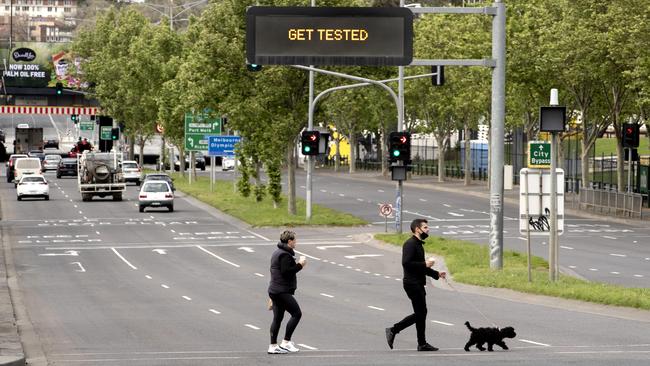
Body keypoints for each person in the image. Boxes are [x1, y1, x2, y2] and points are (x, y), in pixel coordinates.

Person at [385, 218, 447, 351]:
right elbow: (406, 263)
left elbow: (421, 268)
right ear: (417, 229)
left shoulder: (418, 244)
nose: (428, 229)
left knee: (421, 313)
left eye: (427, 227)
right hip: (411, 284)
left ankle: (422, 343)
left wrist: (437, 274)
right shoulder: (410, 244)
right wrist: (424, 264)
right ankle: (394, 330)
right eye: (425, 227)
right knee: (420, 313)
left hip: (417, 283)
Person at [267, 230, 306, 354]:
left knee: (277, 318)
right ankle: (286, 342)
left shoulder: (277, 252)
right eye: (295, 240)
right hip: (281, 291)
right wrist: (300, 264)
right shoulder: (284, 254)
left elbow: (276, 273)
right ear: (289, 241)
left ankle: (273, 346)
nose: (296, 242)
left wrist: (271, 296)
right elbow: (286, 272)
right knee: (297, 314)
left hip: (275, 290)